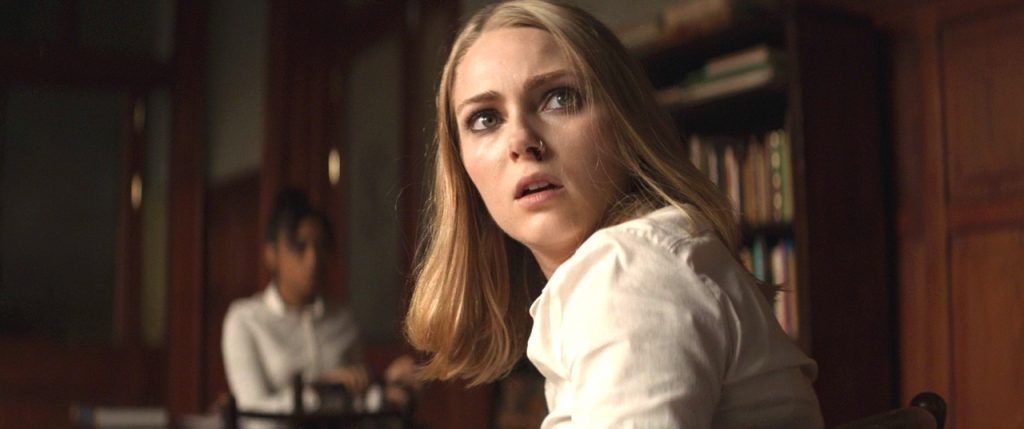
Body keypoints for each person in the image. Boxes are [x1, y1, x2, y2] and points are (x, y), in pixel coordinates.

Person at [404, 1, 824, 428]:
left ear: (624, 120)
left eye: (559, 98)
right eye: (485, 119)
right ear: (461, 165)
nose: (521, 141)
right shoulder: (615, 274)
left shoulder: (630, 268)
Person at [222, 189, 416, 425]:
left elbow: (357, 402)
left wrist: (385, 387)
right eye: (299, 246)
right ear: (271, 254)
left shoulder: (343, 320)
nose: (313, 259)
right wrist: (320, 390)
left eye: (320, 247)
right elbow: (254, 415)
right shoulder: (245, 320)